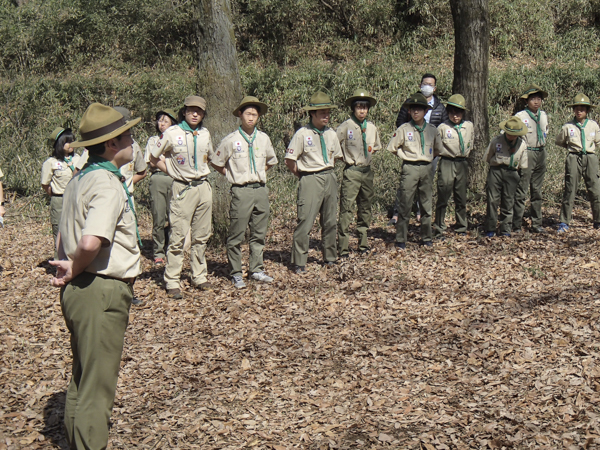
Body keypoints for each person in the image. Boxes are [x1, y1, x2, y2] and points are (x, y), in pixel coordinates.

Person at [49, 102, 141, 450]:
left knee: (82, 380)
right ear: (112, 144)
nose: (133, 140)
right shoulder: (105, 183)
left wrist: (68, 264)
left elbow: (62, 236)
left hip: (80, 291)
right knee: (97, 388)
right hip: (99, 289)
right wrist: (75, 264)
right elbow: (91, 240)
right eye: (129, 135)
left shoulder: (79, 178)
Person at [150, 95, 213, 299]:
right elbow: (153, 157)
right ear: (184, 112)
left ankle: (199, 276)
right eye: (191, 110)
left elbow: (210, 157)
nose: (195, 114)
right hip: (182, 188)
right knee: (177, 236)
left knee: (201, 236)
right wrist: (171, 172)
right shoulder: (172, 133)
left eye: (200, 111)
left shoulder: (205, 134)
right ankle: (172, 280)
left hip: (203, 186)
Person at [211, 96, 278, 288]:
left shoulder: (263, 138)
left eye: (254, 114)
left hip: (260, 190)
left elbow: (271, 161)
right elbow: (216, 163)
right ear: (240, 115)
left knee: (259, 233)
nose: (251, 118)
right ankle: (236, 272)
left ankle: (256, 269)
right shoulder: (231, 140)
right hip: (241, 192)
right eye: (248, 113)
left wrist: (257, 174)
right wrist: (233, 175)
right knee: (236, 235)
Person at [285, 91, 343, 273]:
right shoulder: (302, 134)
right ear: (312, 114)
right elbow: (290, 160)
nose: (326, 116)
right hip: (310, 178)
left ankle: (330, 257)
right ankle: (299, 261)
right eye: (322, 113)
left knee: (330, 220)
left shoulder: (331, 133)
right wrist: (303, 176)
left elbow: (337, 157)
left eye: (328, 112)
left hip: (329, 176)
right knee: (305, 221)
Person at [391, 73, 448, 225]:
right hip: (411, 151)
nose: (427, 87)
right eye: (425, 84)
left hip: (430, 153)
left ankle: (420, 213)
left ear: (435, 88)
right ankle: (398, 213)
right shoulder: (411, 103)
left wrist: (434, 150)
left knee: (425, 187)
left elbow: (443, 126)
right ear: (420, 85)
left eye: (430, 84)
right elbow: (400, 122)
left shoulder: (440, 107)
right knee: (405, 185)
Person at [387, 92, 443, 248]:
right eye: (413, 109)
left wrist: (429, 158)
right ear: (410, 111)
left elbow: (438, 149)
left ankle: (426, 237)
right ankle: (401, 238)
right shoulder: (404, 129)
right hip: (410, 168)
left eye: (420, 109)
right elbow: (392, 147)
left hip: (426, 167)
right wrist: (404, 155)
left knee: (426, 204)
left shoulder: (432, 130)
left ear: (426, 111)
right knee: (405, 203)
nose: (416, 112)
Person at [336, 89, 382, 257]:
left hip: (366, 172)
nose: (362, 110)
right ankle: (343, 247)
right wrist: (345, 158)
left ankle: (363, 244)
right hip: (352, 171)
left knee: (365, 208)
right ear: (353, 109)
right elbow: (334, 145)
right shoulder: (346, 126)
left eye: (365, 107)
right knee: (346, 209)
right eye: (359, 107)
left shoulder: (371, 127)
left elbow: (375, 147)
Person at [556, 93, 600, 233]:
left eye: (582, 108)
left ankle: (598, 220)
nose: (579, 111)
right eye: (577, 108)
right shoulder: (568, 126)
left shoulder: (593, 125)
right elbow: (560, 141)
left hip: (590, 158)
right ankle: (564, 222)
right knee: (570, 189)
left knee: (595, 190)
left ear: (587, 111)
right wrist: (572, 150)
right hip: (574, 157)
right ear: (573, 110)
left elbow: (598, 142)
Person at [433, 94, 474, 237]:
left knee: (461, 196)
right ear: (448, 112)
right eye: (452, 112)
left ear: (463, 113)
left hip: (462, 163)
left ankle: (461, 226)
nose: (455, 116)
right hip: (447, 162)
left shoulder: (468, 126)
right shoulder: (443, 127)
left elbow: (471, 143)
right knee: (443, 195)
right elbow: (436, 146)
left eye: (458, 112)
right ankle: (439, 226)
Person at [483, 116, 528, 237]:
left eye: (514, 134)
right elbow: (488, 157)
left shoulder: (522, 144)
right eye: (509, 133)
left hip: (512, 172)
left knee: (508, 201)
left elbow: (523, 165)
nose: (511, 136)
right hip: (496, 171)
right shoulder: (496, 140)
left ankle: (505, 229)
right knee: (492, 200)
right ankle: (490, 228)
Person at [513, 84, 549, 233]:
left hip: (541, 152)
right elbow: (510, 133)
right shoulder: (521, 116)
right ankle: (516, 224)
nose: (536, 102)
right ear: (527, 101)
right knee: (521, 189)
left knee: (537, 190)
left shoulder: (544, 115)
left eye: (538, 99)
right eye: (533, 98)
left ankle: (536, 223)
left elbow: (546, 132)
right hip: (527, 152)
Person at [144, 108, 177, 264]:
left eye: (166, 121)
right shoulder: (153, 140)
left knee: (175, 217)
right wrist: (169, 166)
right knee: (158, 216)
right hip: (158, 178)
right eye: (160, 120)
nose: (162, 123)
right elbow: (151, 161)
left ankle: (172, 249)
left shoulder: (178, 139)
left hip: (176, 180)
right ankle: (158, 251)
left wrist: (163, 162)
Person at [41, 127, 79, 256]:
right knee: (59, 232)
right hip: (59, 200)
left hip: (76, 199)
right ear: (59, 144)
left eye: (72, 141)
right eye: (67, 142)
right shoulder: (51, 162)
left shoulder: (79, 159)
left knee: (77, 230)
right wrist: (54, 194)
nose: (71, 144)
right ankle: (60, 261)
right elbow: (45, 184)